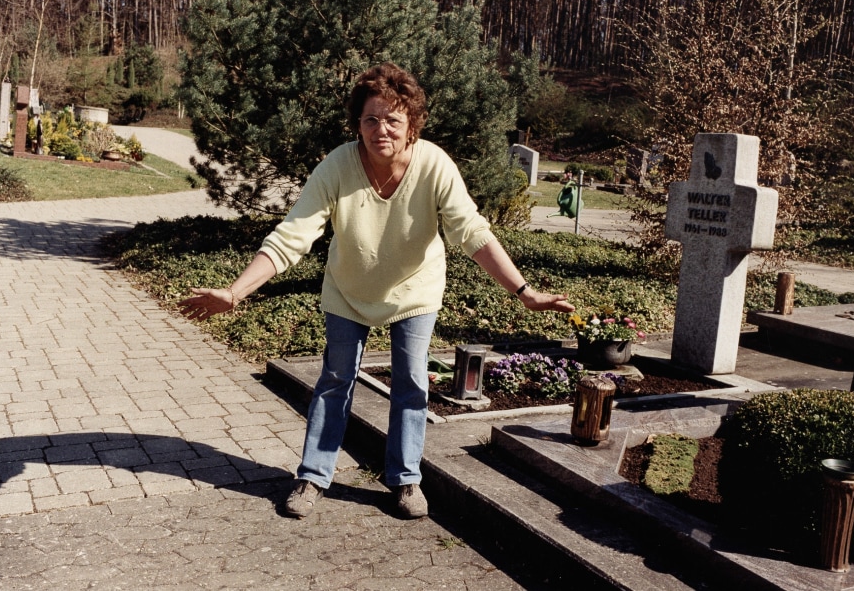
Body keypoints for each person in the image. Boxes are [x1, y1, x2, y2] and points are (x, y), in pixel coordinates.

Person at [179, 62, 574, 519]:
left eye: (392, 119)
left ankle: (406, 480)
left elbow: (472, 233)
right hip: (348, 291)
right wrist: (236, 291)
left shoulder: (433, 166)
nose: (380, 129)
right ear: (357, 124)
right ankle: (312, 476)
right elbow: (293, 235)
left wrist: (523, 291)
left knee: (409, 381)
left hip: (414, 291)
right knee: (334, 381)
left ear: (411, 126)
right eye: (370, 119)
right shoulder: (338, 166)